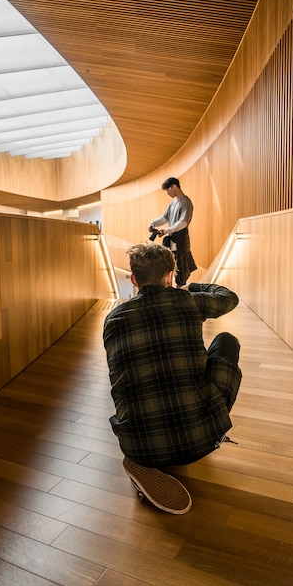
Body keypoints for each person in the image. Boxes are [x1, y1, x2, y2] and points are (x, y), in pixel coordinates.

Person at [103, 243, 242, 514]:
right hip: (201, 439)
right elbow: (229, 297)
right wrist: (193, 288)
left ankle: (144, 456)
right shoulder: (187, 301)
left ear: (134, 279)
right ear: (170, 276)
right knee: (226, 341)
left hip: (139, 445)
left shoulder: (113, 319)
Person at [149, 176, 197, 286]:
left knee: (181, 269)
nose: (167, 193)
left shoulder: (185, 202)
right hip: (171, 241)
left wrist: (166, 230)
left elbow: (183, 223)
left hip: (180, 240)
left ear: (174, 186)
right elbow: (164, 218)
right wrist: (153, 223)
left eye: (168, 190)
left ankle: (181, 293)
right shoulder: (173, 203)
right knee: (168, 266)